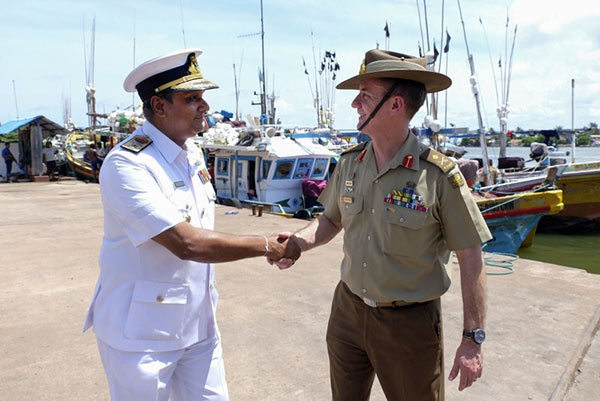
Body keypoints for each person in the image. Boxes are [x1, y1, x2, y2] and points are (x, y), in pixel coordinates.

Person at [270, 49, 492, 400]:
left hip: (408, 324)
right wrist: (299, 242)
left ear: (395, 105)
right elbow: (330, 219)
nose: (355, 104)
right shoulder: (350, 163)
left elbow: (471, 256)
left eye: (365, 95)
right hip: (347, 311)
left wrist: (472, 338)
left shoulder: (437, 176)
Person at [83, 48, 300, 401]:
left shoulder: (191, 153)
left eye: (203, 97)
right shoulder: (128, 165)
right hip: (141, 335)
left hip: (198, 325)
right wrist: (266, 245)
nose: (205, 107)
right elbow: (186, 243)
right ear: (159, 105)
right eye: (192, 98)